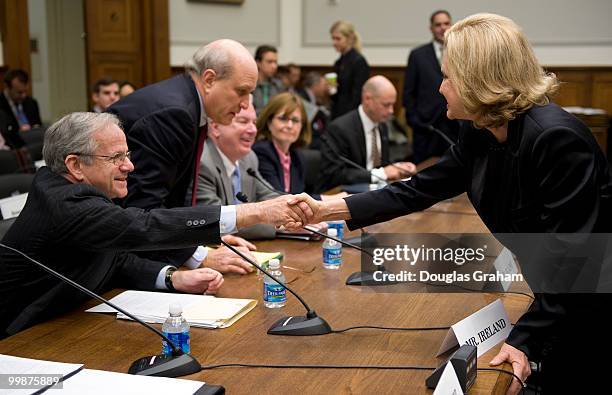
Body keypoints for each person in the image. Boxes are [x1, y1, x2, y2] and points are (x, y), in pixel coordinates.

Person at [293, 13, 612, 394]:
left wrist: (525, 339)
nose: (440, 88)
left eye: (448, 77)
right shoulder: (482, 130)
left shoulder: (556, 139)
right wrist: (327, 208)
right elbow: (421, 188)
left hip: (590, 312)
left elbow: (574, 263)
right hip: (553, 299)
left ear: (479, 81)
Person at [0, 112, 313, 338]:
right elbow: (144, 227)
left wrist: (172, 278)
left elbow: (114, 255)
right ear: (75, 165)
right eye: (116, 158)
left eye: (128, 154)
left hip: (70, 322)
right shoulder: (64, 203)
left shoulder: (80, 192)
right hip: (23, 340)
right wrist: (254, 213)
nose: (130, 166)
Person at [109, 39, 298, 276]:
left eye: (250, 94)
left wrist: (200, 237)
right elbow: (143, 209)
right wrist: (200, 254)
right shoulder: (175, 114)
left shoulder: (189, 105)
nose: (245, 105)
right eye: (241, 92)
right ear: (209, 80)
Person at [193, 98, 279, 245]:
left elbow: (268, 194)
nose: (253, 130)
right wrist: (283, 224)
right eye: (243, 121)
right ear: (214, 127)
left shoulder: (248, 158)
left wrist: (297, 212)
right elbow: (218, 222)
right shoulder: (203, 163)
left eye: (254, 122)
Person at [319, 75, 415, 190]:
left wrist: (399, 167)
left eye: (392, 105)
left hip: (376, 191)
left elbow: (381, 164)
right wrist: (382, 174)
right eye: (386, 105)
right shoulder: (340, 128)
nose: (391, 111)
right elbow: (336, 175)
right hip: (344, 194)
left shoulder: (382, 125)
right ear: (367, 99)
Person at [403, 10, 460, 164]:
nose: (442, 28)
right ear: (431, 28)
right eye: (438, 24)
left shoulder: (460, 52)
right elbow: (408, 93)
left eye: (446, 23)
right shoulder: (418, 55)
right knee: (425, 173)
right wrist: (415, 121)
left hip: (455, 126)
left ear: (452, 25)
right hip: (426, 128)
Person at [329, 20, 370, 120]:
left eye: (338, 39)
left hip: (350, 116)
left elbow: (358, 96)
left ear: (349, 39)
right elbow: (337, 95)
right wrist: (331, 89)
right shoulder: (338, 62)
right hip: (338, 113)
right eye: (333, 38)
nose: (334, 43)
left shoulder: (359, 62)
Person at [0, 69, 42, 134]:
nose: (24, 96)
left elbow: (38, 124)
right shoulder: (1, 104)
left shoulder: (32, 103)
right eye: (19, 92)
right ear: (7, 87)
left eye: (25, 91)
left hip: (32, 141)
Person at [298, 72, 331, 150]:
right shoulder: (302, 99)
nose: (326, 88)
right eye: (324, 85)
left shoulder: (314, 99)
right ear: (316, 86)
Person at [252, 45, 285, 113]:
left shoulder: (279, 85)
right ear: (258, 63)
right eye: (270, 62)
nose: (274, 66)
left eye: (275, 62)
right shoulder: (250, 84)